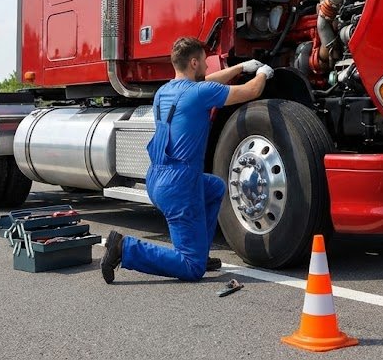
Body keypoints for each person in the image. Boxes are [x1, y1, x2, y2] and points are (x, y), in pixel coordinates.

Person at [101, 37, 273, 283]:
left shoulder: (164, 92)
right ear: (194, 62)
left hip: (157, 178)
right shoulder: (199, 93)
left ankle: (200, 253)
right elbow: (251, 91)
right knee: (191, 268)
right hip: (179, 185)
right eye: (203, 61)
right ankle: (124, 248)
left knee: (215, 187)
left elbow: (204, 86)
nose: (206, 67)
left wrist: (238, 69)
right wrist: (263, 73)